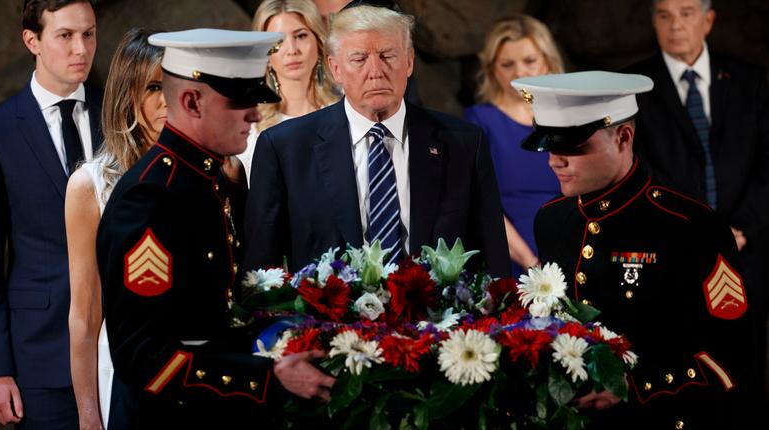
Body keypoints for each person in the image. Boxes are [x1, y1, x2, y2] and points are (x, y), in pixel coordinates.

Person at [95, 28, 335, 428]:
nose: (256, 114)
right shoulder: (150, 198)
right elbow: (146, 359)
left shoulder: (208, 177)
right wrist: (265, 378)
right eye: (240, 102)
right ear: (191, 101)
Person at [512, 70, 752, 428]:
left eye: (573, 146)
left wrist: (635, 385)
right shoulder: (552, 221)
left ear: (623, 137)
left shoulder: (692, 226)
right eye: (549, 144)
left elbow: (730, 359)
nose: (553, 161)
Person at [243, 5, 510, 277]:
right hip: (325, 318)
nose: (376, 71)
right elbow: (261, 274)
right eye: (359, 59)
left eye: (387, 55)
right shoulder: (285, 148)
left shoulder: (463, 144)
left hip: (437, 315)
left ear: (409, 61)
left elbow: (494, 264)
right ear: (335, 68)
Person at [623, 0, 769, 421]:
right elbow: (637, 167)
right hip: (671, 253)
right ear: (652, 22)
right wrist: (689, 233)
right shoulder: (637, 85)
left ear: (708, 20)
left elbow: (766, 164)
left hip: (745, 251)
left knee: (744, 373)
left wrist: (741, 228)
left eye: (686, 13)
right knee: (677, 376)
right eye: (664, 15)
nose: (675, 25)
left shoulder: (747, 79)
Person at [0, 0, 99, 427]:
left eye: (88, 34)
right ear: (32, 40)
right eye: (65, 36)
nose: (81, 48)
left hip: (120, 346)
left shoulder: (118, 116)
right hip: (40, 355)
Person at [65, 28, 165, 430]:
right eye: (154, 87)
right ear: (128, 95)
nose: (168, 102)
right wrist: (88, 416)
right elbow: (85, 316)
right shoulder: (90, 186)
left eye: (177, 86)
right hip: (126, 379)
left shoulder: (211, 172)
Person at [464, 15, 563, 275]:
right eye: (507, 64)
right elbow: (483, 206)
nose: (519, 73)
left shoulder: (570, 117)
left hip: (571, 251)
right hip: (510, 259)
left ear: (547, 61)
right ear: (492, 69)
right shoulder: (478, 121)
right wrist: (532, 265)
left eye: (529, 61)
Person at [237, 0, 338, 182]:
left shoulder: (344, 112)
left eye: (300, 36)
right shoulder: (249, 127)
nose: (291, 50)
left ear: (318, 41)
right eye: (278, 41)